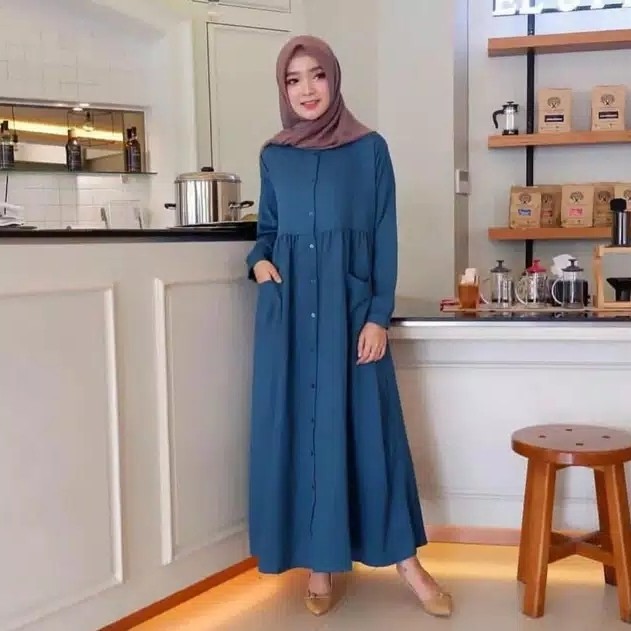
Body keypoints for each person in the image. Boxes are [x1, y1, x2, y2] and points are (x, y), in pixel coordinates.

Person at [245, 35, 452, 619]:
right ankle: (320, 564)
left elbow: (384, 235)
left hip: (350, 315)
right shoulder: (274, 155)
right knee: (305, 436)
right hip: (290, 320)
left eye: (316, 75)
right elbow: (268, 229)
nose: (306, 90)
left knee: (371, 437)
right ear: (283, 90)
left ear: (334, 80)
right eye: (293, 80)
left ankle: (408, 564)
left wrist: (378, 315)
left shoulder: (370, 150)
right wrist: (257, 261)